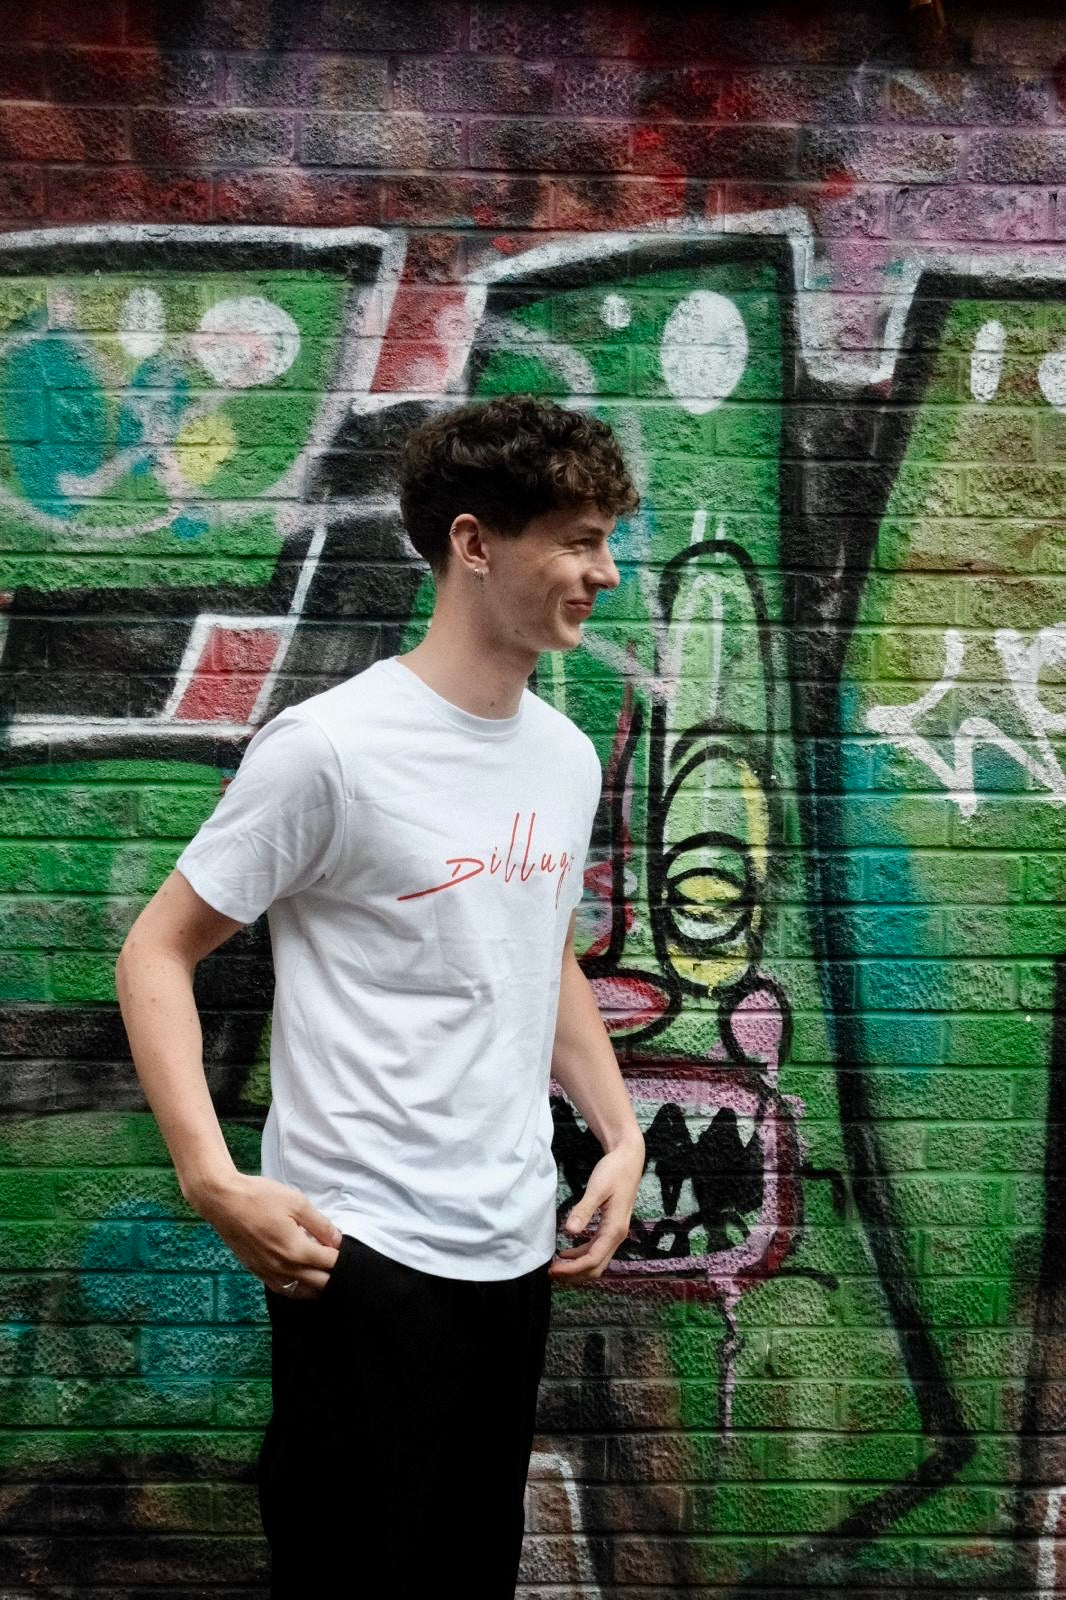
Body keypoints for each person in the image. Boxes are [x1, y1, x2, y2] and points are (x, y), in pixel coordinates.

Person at [115, 393, 646, 1598]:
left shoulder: (559, 755)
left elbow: (534, 943)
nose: (603, 572)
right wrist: (212, 1179)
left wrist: (616, 1133)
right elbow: (156, 950)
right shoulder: (331, 748)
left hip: (513, 1244)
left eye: (606, 538)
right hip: (358, 1251)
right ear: (473, 544)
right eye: (575, 538)